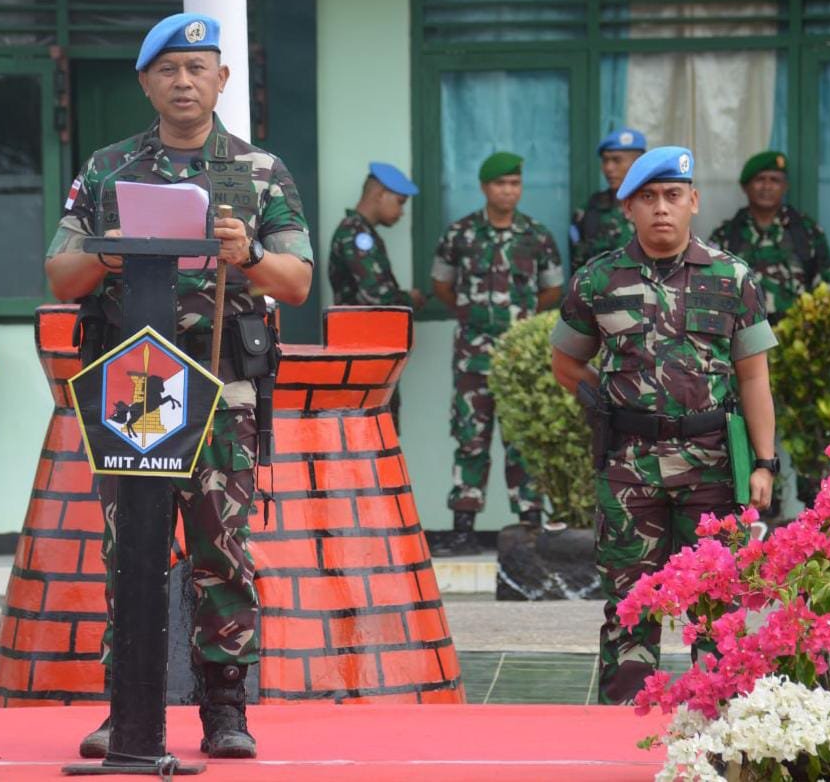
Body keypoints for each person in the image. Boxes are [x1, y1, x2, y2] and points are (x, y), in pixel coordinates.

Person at [44, 13, 313, 760]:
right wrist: (112, 254)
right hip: (137, 387)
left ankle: (224, 710)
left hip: (222, 387)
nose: (184, 81)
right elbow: (62, 275)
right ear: (145, 82)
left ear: (221, 79)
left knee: (221, 550)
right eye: (168, 69)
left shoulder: (256, 170)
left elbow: (296, 281)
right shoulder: (110, 169)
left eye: (198, 69)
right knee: (129, 547)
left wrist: (248, 253)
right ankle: (126, 707)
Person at [550, 146, 778, 704]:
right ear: (628, 207)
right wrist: (605, 405)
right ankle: (621, 725)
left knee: (716, 605)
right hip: (629, 468)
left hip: (712, 466)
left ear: (693, 201)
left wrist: (765, 464)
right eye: (647, 197)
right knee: (629, 605)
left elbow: (754, 377)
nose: (661, 208)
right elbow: (565, 364)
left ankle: (722, 724)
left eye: (673, 195)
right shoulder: (597, 280)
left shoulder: (733, 277)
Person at [428, 152, 563, 556]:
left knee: (523, 441)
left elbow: (552, 290)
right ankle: (463, 529)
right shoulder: (460, 235)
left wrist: (520, 321)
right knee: (470, 440)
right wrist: (473, 316)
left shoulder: (537, 236)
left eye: (515, 183)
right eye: (501, 183)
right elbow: (441, 285)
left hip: (520, 359)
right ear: (485, 187)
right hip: (473, 357)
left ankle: (531, 526)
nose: (508, 191)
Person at [707, 151, 830, 508]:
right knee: (750, 428)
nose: (766, 187)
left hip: (797, 355)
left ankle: (816, 514)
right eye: (759, 180)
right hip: (745, 354)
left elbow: (826, 290)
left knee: (808, 434)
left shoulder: (805, 233)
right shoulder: (727, 235)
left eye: (774, 180)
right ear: (746, 187)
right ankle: (764, 509)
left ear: (785, 186)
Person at [327, 161, 422, 430]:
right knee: (372, 433)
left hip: (370, 352)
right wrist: (411, 299)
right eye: (400, 202)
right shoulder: (357, 234)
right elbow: (377, 296)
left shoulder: (362, 233)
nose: (401, 212)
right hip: (362, 356)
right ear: (380, 194)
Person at [569, 127, 646, 273]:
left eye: (617, 160)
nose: (609, 168)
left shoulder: (656, 208)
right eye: (605, 161)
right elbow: (579, 269)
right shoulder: (588, 212)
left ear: (638, 162)